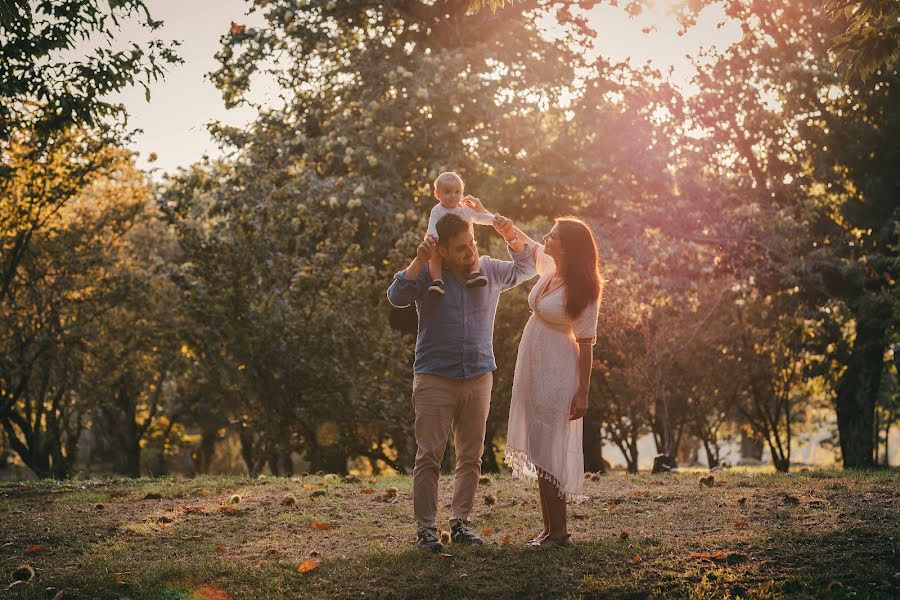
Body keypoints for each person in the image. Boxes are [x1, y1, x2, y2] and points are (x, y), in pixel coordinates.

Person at [387, 212, 536, 552]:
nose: (469, 253)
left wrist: (511, 234)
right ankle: (426, 529)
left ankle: (461, 523)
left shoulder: (489, 269)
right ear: (442, 252)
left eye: (471, 244)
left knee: (470, 456)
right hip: (434, 377)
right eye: (460, 249)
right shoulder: (428, 274)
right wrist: (418, 260)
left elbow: (526, 267)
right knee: (429, 456)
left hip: (479, 375)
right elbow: (396, 295)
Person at [504, 217, 603, 547]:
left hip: (559, 371)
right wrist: (492, 217)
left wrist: (583, 393)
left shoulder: (584, 289)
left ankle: (559, 533)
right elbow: (526, 242)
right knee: (538, 448)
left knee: (548, 453)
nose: (546, 237)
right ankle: (549, 530)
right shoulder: (551, 267)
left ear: (568, 246)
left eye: (554, 235)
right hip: (534, 367)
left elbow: (586, 344)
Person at [425, 171, 495, 295]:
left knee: (473, 252)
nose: (453, 196)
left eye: (457, 192)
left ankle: (474, 274)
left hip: (466, 243)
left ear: (462, 192)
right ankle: (437, 282)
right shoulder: (437, 210)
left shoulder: (464, 208)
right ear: (437, 194)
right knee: (434, 257)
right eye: (447, 192)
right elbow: (431, 226)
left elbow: (478, 217)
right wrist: (433, 236)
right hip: (442, 245)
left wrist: (493, 220)